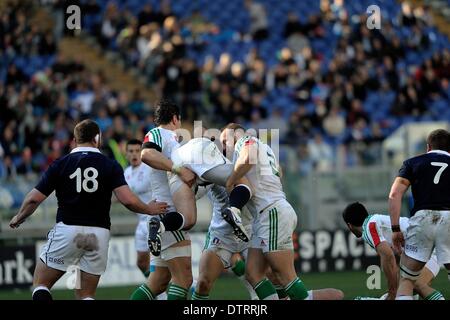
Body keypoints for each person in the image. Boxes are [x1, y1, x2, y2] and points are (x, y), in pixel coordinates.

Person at [9, 120, 167, 300]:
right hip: (98, 234)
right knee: (85, 294)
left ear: (74, 140)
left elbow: (33, 198)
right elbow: (127, 200)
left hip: (68, 230)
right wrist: (149, 208)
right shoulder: (110, 165)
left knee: (41, 284)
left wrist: (19, 216)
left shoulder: (61, 164)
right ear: (97, 139)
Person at [218, 123, 311, 300]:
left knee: (285, 276)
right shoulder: (265, 147)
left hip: (271, 211)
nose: (224, 147)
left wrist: (231, 180)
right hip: (266, 214)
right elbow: (280, 173)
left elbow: (249, 157)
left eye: (225, 141)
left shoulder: (245, 140)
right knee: (253, 274)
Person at [389, 129, 450, 300]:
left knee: (408, 279)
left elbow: (394, 195)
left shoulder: (412, 163)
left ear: (428, 147)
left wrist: (395, 229)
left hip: (422, 218)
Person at [343, 202, 443, 300]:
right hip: (430, 245)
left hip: (428, 248)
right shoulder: (376, 222)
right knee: (408, 288)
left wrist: (392, 291)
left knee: (413, 285)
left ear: (349, 225)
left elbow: (388, 256)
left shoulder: (369, 227)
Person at [124, 139, 153, 277]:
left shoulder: (150, 168)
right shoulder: (127, 173)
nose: (134, 154)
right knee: (141, 263)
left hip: (155, 219)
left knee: (166, 264)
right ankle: (161, 295)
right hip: (141, 222)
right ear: (126, 154)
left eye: (137, 151)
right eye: (131, 151)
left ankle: (193, 285)